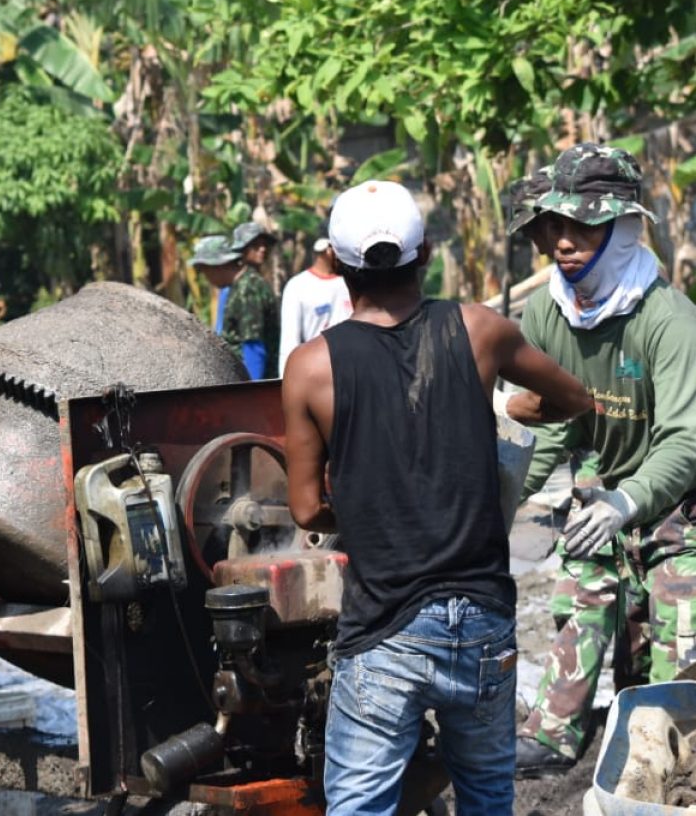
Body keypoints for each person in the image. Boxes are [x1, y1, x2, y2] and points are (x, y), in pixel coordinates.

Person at [282, 178, 593, 815]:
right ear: (425, 255)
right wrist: (515, 408)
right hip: (482, 622)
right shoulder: (479, 329)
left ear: (338, 269)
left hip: (383, 629)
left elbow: (307, 509)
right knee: (485, 799)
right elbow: (576, 399)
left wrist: (372, 505)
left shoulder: (312, 368)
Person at [513, 143, 696, 776]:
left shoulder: (667, 320)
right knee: (581, 594)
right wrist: (506, 496)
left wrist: (628, 503)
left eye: (584, 226)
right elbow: (553, 425)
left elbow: (685, 439)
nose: (564, 242)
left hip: (681, 500)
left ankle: (671, 755)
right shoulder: (546, 313)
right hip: (607, 481)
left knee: (679, 652)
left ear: (623, 226)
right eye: (555, 226)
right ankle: (558, 731)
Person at [278, 232, 351, 376]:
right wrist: (285, 383)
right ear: (328, 250)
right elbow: (289, 343)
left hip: (351, 371)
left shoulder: (351, 283)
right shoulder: (297, 286)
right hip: (316, 374)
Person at [223, 221, 280, 379]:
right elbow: (251, 344)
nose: (262, 249)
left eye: (265, 245)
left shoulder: (250, 284)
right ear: (242, 248)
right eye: (255, 245)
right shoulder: (246, 284)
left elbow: (254, 345)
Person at [187, 234, 243, 335]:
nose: (206, 276)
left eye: (205, 270)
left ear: (216, 266)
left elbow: (252, 344)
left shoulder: (244, 290)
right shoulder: (226, 290)